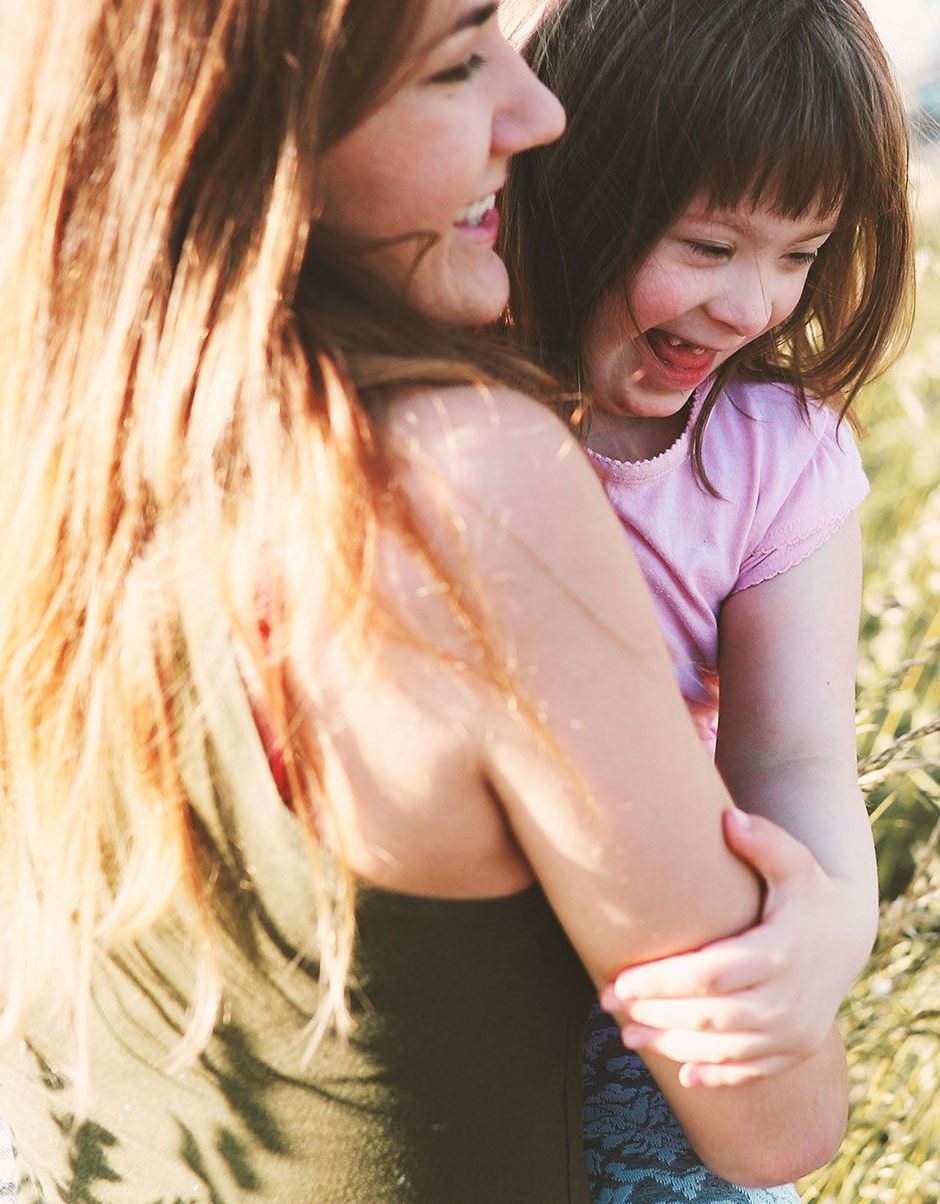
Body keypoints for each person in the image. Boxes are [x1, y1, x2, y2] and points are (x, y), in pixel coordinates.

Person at [0, 1, 849, 1200]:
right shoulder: (472, 482)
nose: (541, 112)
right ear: (259, 119)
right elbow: (776, 1122)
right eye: (457, 62)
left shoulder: (63, 444)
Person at [500, 0, 914, 1199]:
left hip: (652, 968)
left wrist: (829, 929)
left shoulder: (775, 456)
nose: (753, 306)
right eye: (708, 244)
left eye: (800, 253)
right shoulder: (456, 399)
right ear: (567, 183)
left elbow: (790, 759)